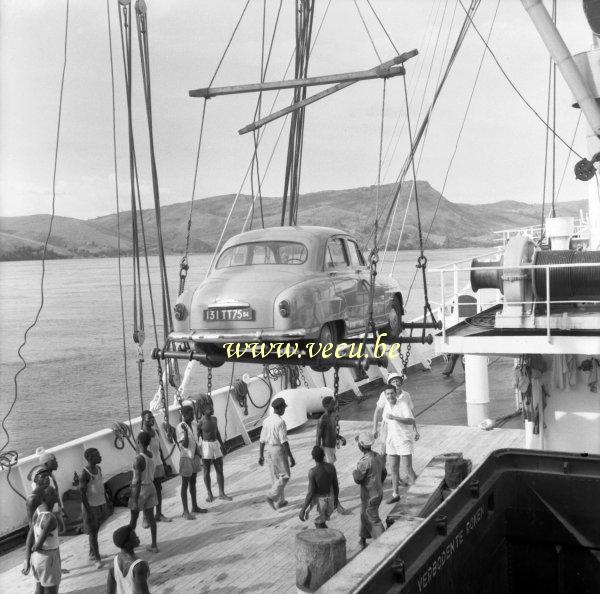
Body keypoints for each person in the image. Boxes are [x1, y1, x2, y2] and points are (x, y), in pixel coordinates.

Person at [383, 385, 419, 504]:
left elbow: (411, 420)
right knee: (393, 468)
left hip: (403, 440)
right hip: (391, 441)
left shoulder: (403, 404)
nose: (390, 396)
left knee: (408, 468)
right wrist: (383, 442)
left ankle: (418, 493)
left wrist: (395, 417)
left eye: (392, 393)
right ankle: (395, 494)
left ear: (395, 393)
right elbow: (385, 424)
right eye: (387, 394)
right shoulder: (386, 406)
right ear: (385, 395)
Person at [258, 397, 295, 510]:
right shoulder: (280, 422)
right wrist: (290, 456)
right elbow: (284, 441)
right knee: (285, 475)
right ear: (279, 409)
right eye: (283, 407)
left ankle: (280, 501)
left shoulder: (266, 421)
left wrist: (261, 455)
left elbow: (262, 439)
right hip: (278, 450)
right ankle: (271, 496)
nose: (284, 410)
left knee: (275, 476)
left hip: (268, 449)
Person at [25, 486, 62, 593]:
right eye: (53, 493)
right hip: (48, 558)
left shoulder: (37, 512)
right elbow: (37, 545)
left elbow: (30, 536)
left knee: (39, 588)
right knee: (51, 591)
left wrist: (27, 558)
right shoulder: (50, 518)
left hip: (36, 560)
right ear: (45, 498)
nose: (56, 494)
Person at [352, 431, 386, 549]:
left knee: (373, 519)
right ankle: (362, 540)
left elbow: (358, 479)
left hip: (369, 496)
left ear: (361, 446)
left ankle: (385, 544)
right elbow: (384, 473)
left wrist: (354, 472)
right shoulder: (377, 456)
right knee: (364, 514)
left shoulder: (364, 462)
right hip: (378, 493)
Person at [316, 396, 348, 514]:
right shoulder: (322, 419)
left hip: (331, 449)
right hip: (326, 450)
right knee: (331, 477)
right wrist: (318, 453)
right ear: (327, 406)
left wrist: (340, 437)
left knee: (331, 476)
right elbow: (318, 437)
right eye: (333, 404)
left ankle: (330, 500)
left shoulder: (332, 416)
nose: (335, 405)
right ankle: (335, 503)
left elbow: (333, 432)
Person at [372, 373, 414, 462]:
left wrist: (416, 429)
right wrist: (374, 429)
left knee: (401, 451)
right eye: (393, 381)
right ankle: (381, 472)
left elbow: (411, 413)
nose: (396, 383)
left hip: (401, 427)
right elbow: (377, 411)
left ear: (401, 382)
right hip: (387, 426)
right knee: (384, 451)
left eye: (398, 381)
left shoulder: (406, 395)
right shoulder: (385, 395)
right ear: (390, 384)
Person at [128, 431, 158, 553]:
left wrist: (134, 500)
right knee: (151, 518)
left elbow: (137, 481)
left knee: (133, 519)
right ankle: (154, 545)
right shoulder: (151, 454)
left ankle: (130, 545)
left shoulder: (138, 459)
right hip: (151, 486)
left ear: (138, 442)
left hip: (141, 490)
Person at [141, 410, 171, 523]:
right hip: (148, 467)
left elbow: (159, 449)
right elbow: (139, 454)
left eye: (152, 417)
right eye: (149, 418)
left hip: (158, 464)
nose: (152, 420)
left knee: (158, 490)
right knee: (147, 492)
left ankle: (158, 514)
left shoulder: (156, 431)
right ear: (143, 420)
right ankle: (145, 517)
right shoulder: (142, 434)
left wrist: (163, 462)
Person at [198, 402, 232, 503]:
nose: (212, 409)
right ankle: (209, 494)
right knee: (206, 470)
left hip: (215, 444)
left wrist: (222, 445)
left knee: (219, 469)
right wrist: (199, 449)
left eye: (212, 408)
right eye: (209, 408)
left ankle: (222, 493)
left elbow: (217, 433)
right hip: (206, 445)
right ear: (203, 411)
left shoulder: (214, 419)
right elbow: (198, 436)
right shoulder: (201, 422)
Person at [80, 447, 108, 569]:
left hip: (100, 503)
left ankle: (92, 553)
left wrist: (105, 502)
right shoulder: (85, 474)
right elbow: (82, 494)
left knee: (96, 531)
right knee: (92, 533)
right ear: (90, 458)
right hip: (90, 507)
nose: (100, 456)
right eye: (98, 455)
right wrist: (89, 511)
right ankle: (97, 559)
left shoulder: (99, 469)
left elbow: (100, 485)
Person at [299, 445, 340, 528]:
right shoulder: (331, 467)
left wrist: (303, 509)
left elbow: (310, 493)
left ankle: (327, 538)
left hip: (319, 502)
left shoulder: (313, 472)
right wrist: (336, 500)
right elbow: (336, 486)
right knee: (322, 522)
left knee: (319, 524)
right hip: (330, 500)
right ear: (324, 455)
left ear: (313, 458)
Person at [177, 405, 206, 519]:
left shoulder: (194, 424)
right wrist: (185, 432)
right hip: (186, 458)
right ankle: (185, 511)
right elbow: (184, 445)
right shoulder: (180, 427)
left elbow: (197, 437)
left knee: (193, 483)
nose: (193, 415)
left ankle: (194, 506)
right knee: (185, 484)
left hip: (194, 456)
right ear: (184, 416)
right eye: (190, 414)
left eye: (193, 413)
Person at [22, 466, 52, 578]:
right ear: (35, 480)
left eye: (47, 476)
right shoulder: (33, 499)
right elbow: (32, 528)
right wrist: (27, 558)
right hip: (38, 537)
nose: (47, 479)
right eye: (42, 477)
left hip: (46, 535)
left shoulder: (45, 493)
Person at [107, 525, 150, 594]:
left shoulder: (113, 564)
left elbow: (109, 592)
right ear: (127, 543)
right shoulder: (138, 566)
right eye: (134, 536)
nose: (137, 537)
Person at [38, 451, 67, 533]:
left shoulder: (51, 475)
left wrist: (61, 508)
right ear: (46, 464)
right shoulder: (43, 479)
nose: (56, 462)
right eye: (53, 461)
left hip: (55, 509)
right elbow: (44, 501)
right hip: (49, 513)